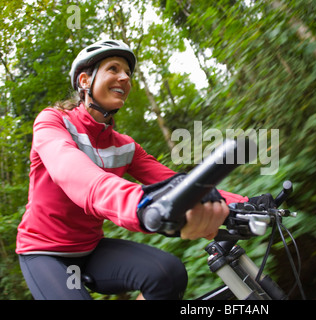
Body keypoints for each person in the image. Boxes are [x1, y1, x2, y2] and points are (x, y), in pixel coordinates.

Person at [16, 39, 274, 300]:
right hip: (45, 252)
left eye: (127, 73)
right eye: (114, 69)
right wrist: (141, 204)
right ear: (84, 81)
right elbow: (76, 175)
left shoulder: (125, 146)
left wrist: (244, 203)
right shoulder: (52, 122)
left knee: (168, 274)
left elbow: (176, 182)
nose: (124, 77)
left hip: (90, 247)